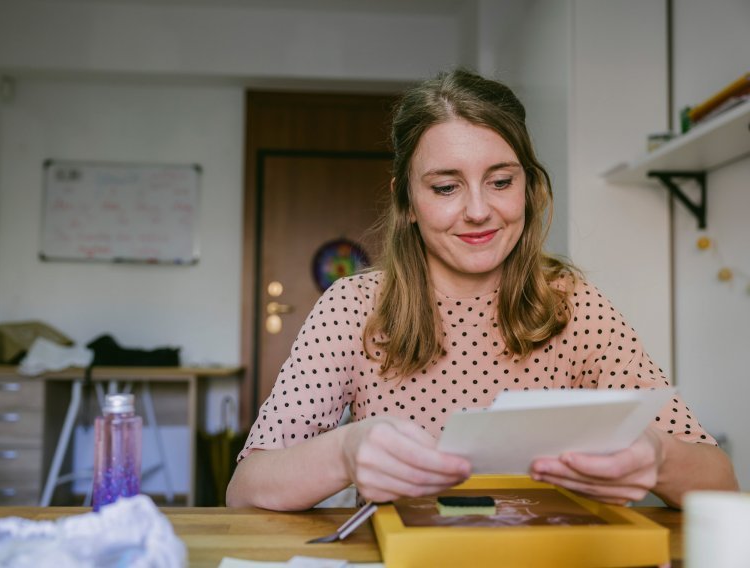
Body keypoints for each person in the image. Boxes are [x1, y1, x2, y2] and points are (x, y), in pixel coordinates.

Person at [226, 68, 738, 511]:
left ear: (529, 187)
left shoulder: (572, 303)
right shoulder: (353, 306)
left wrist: (658, 456)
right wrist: (344, 453)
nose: (477, 210)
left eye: (500, 181)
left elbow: (721, 480)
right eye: (446, 187)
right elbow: (246, 491)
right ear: (405, 199)